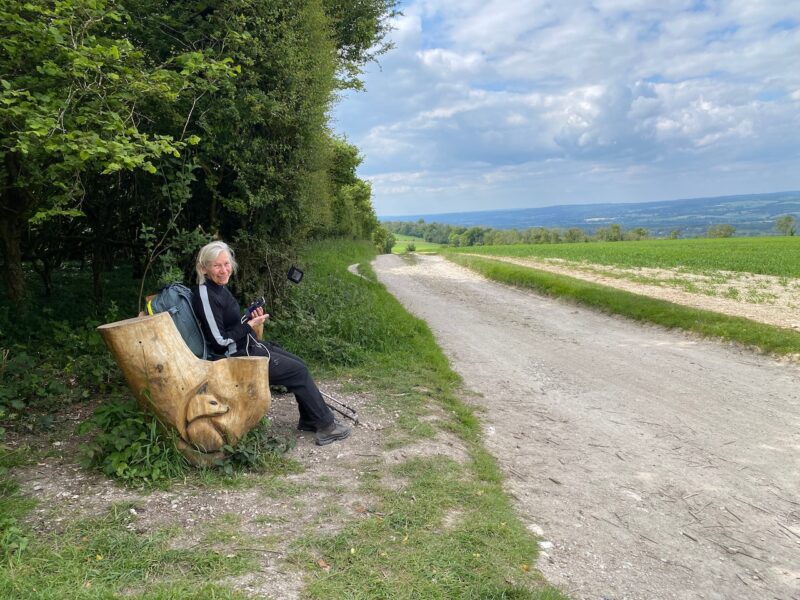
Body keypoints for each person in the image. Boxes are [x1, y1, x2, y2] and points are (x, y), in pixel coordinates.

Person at [191, 240, 351, 446]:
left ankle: (310, 419)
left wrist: (248, 318)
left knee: (298, 363)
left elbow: (230, 326)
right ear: (204, 268)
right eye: (217, 266)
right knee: (297, 372)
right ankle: (327, 427)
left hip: (245, 347)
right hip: (233, 360)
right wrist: (249, 326)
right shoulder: (206, 294)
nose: (224, 270)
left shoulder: (219, 288)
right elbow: (220, 341)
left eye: (226, 264)